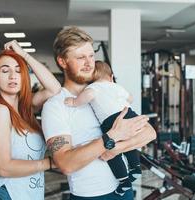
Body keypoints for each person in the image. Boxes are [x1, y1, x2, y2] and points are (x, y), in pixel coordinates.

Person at [41, 26, 156, 200]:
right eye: (80, 58)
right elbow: (65, 164)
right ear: (62, 62)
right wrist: (111, 137)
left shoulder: (106, 93)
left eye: (91, 56)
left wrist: (116, 148)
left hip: (123, 191)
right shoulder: (55, 106)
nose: (89, 63)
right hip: (91, 196)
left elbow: (149, 133)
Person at [0, 40, 61, 200]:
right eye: (5, 71)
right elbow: (3, 167)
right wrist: (52, 163)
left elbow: (55, 89)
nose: (13, 76)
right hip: (7, 194)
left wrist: (24, 55)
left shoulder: (26, 107)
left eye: (18, 71)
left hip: (29, 194)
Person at [64, 60, 142, 196]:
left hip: (111, 120)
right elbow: (130, 98)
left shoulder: (93, 87)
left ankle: (124, 181)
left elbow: (87, 96)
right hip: (128, 113)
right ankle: (135, 167)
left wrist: (74, 102)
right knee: (128, 144)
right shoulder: (117, 86)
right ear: (111, 76)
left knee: (109, 151)